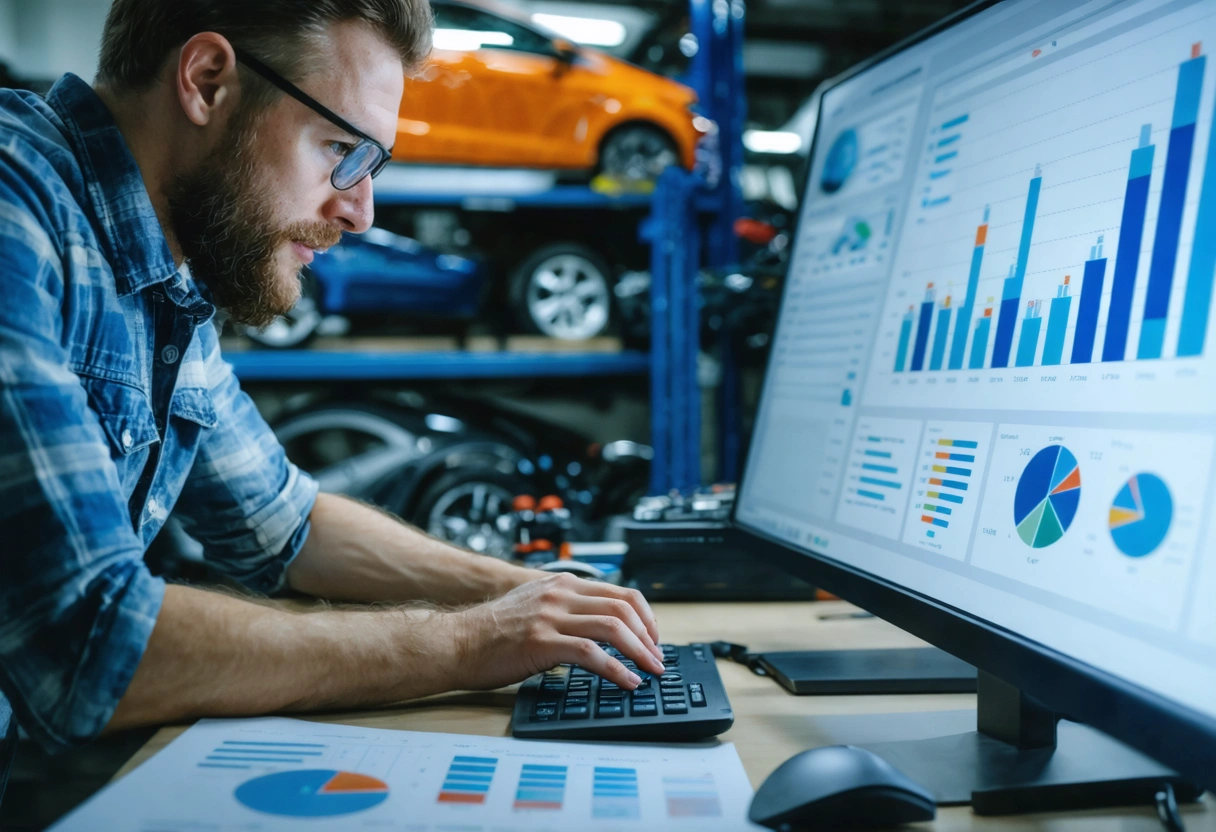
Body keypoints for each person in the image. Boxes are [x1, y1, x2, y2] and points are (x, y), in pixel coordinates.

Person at [0, 0, 666, 803]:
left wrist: (520, 596)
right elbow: (89, 640)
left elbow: (283, 524)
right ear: (207, 81)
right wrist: (467, 643)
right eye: (342, 150)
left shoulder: (163, 266)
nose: (360, 210)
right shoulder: (15, 215)